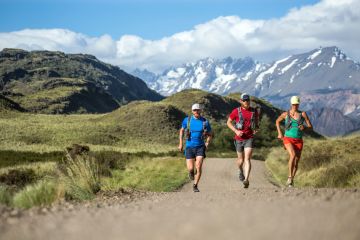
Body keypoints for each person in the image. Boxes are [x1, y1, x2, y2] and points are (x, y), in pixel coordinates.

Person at [275, 96, 313, 187]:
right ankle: (289, 177)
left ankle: (291, 179)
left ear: (298, 104)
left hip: (299, 140)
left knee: (296, 162)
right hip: (288, 138)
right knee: (293, 155)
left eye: (297, 104)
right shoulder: (286, 114)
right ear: (291, 104)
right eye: (294, 104)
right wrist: (280, 133)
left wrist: (305, 128)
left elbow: (311, 127)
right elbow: (277, 121)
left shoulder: (303, 114)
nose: (295, 106)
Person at [227, 93, 259, 188]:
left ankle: (246, 179)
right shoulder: (236, 111)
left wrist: (256, 129)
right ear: (241, 101)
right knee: (240, 161)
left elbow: (256, 123)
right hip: (239, 139)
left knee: (247, 159)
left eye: (248, 100)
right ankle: (240, 171)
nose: (246, 102)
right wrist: (236, 131)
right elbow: (228, 122)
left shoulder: (254, 111)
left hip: (249, 138)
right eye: (244, 100)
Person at [178, 103, 213, 192]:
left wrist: (207, 142)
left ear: (200, 111)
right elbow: (181, 131)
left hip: (200, 146)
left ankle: (195, 185)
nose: (196, 111)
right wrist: (181, 143)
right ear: (192, 111)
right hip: (189, 146)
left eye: (198, 110)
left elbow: (210, 134)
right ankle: (190, 173)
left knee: (198, 165)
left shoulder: (205, 122)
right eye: (195, 110)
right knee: (190, 168)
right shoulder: (187, 120)